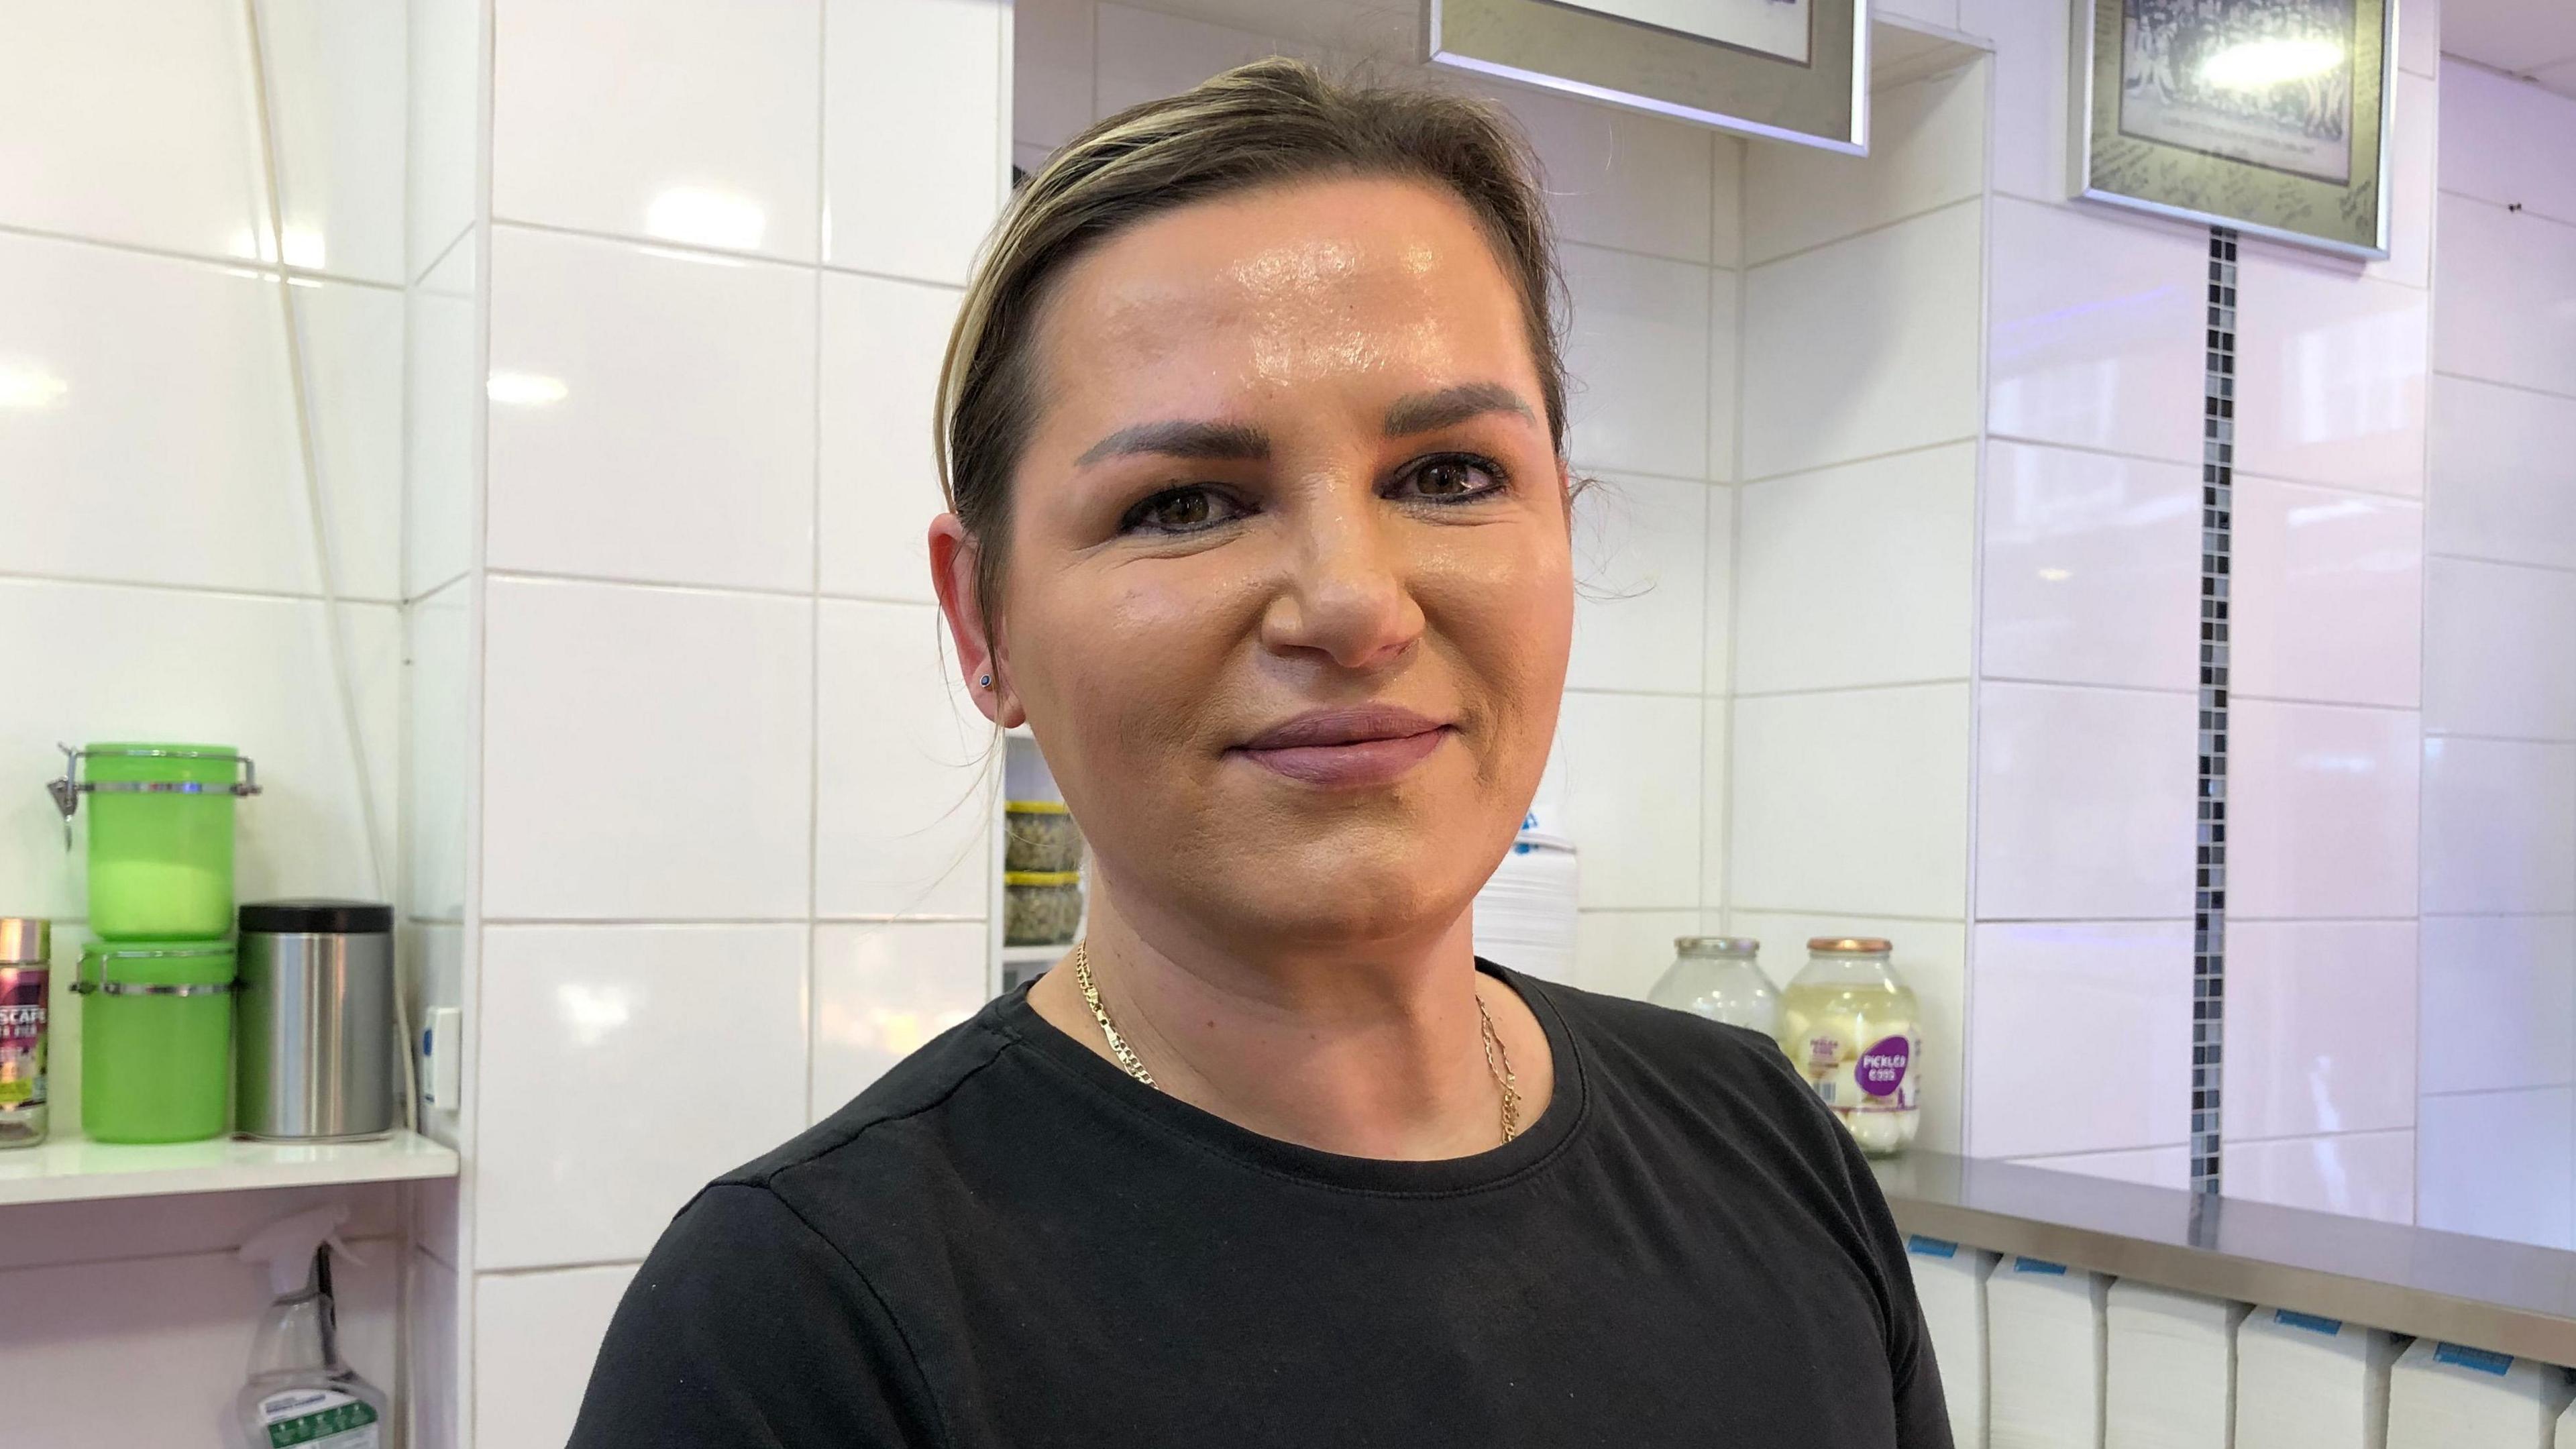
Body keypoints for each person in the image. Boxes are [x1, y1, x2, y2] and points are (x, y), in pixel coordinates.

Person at [568, 57, 1950, 1448]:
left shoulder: (1763, 1142)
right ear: (984, 622)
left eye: (1449, 476)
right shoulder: (799, 1324)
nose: (1352, 603)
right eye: (1183, 504)